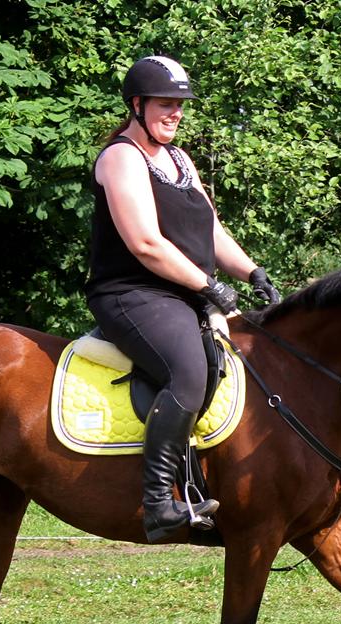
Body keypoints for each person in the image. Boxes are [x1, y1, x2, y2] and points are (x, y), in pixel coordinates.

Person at [86, 56, 280, 543]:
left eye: (179, 106)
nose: (175, 113)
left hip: (182, 294)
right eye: (165, 105)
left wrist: (251, 271)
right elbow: (146, 245)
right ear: (137, 104)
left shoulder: (179, 160)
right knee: (189, 370)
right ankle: (159, 504)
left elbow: (210, 229)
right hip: (132, 294)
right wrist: (209, 286)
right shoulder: (121, 157)